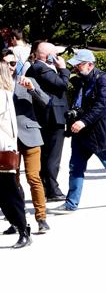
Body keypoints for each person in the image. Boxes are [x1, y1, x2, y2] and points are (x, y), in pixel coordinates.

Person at [59, 50, 106, 212]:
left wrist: (83, 121)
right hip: (81, 132)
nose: (76, 68)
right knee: (76, 166)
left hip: (98, 132)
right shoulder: (81, 80)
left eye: (78, 65)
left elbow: (101, 106)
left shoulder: (103, 81)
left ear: (90, 65)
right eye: (75, 66)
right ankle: (71, 203)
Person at [8, 49, 49, 235]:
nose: (10, 67)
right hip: (8, 140)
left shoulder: (27, 81)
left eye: (13, 63)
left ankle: (41, 218)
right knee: (11, 181)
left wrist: (32, 89)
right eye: (6, 63)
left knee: (33, 177)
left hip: (30, 136)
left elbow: (46, 102)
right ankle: (17, 220)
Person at [25, 42, 69, 201]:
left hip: (49, 115)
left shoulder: (39, 67)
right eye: (55, 53)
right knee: (52, 155)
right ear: (47, 55)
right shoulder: (40, 68)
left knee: (46, 154)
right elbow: (62, 85)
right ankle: (52, 189)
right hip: (53, 116)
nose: (57, 56)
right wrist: (63, 69)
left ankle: (46, 187)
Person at [1, 57, 32, 247]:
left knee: (10, 193)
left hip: (3, 148)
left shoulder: (2, 94)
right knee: (6, 194)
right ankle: (19, 226)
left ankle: (23, 229)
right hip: (5, 146)